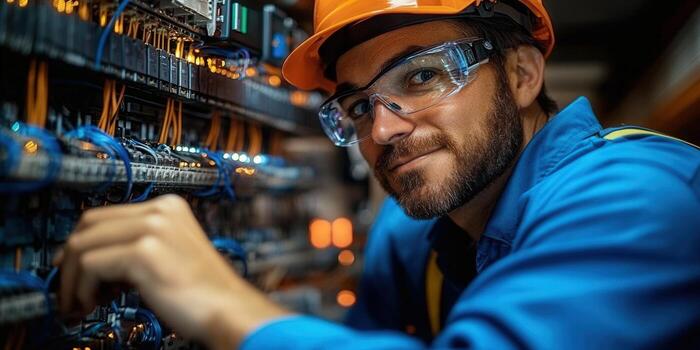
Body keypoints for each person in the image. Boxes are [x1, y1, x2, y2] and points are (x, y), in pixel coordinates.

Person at [57, 0, 700, 349]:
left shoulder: (639, 194)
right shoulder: (413, 234)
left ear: (523, 75)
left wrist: (224, 306)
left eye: (421, 76)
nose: (383, 130)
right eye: (358, 106)